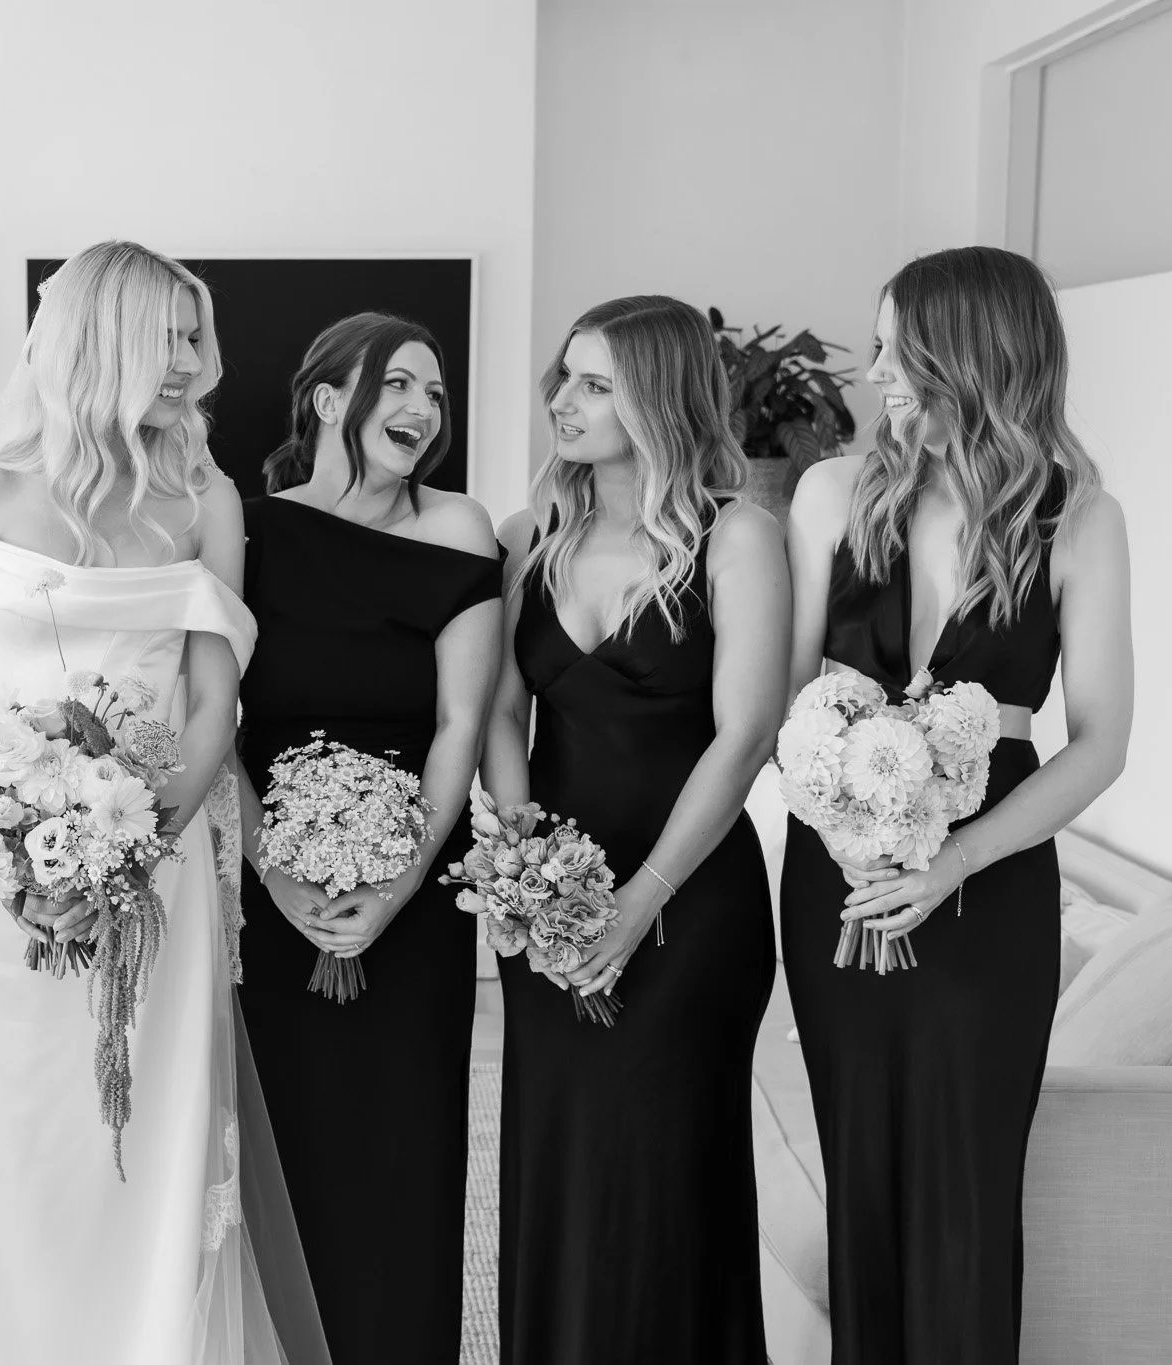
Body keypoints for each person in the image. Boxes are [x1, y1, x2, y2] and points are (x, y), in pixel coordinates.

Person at [0, 239, 327, 1365]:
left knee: (149, 1140)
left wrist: (128, 859)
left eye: (200, 336)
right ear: (109, 341)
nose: (199, 362)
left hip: (158, 872)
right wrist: (13, 850)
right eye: (175, 337)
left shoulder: (206, 498)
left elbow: (209, 708)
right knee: (23, 1147)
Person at [782, 245, 1133, 1364]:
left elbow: (1101, 743)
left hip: (988, 896)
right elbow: (784, 705)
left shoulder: (1078, 518)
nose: (875, 371)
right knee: (862, 1183)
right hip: (832, 880)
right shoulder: (833, 492)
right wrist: (842, 821)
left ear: (968, 355)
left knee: (965, 1194)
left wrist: (955, 860)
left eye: (896, 347)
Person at [482, 295, 785, 1362]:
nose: (563, 402)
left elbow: (744, 734)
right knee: (559, 1153)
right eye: (562, 378)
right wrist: (528, 873)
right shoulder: (527, 536)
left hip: (689, 904)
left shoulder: (735, 536)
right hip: (552, 903)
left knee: (663, 1166)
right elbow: (497, 720)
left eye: (596, 383)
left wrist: (638, 899)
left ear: (656, 396)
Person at [236, 311, 501, 1365]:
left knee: (405, 1157)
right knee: (287, 1155)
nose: (421, 411)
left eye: (434, 395)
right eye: (398, 384)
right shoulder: (246, 529)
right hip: (272, 891)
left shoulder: (461, 529)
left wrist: (393, 886)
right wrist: (276, 870)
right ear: (327, 399)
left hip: (416, 897)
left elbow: (459, 726)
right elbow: (218, 725)